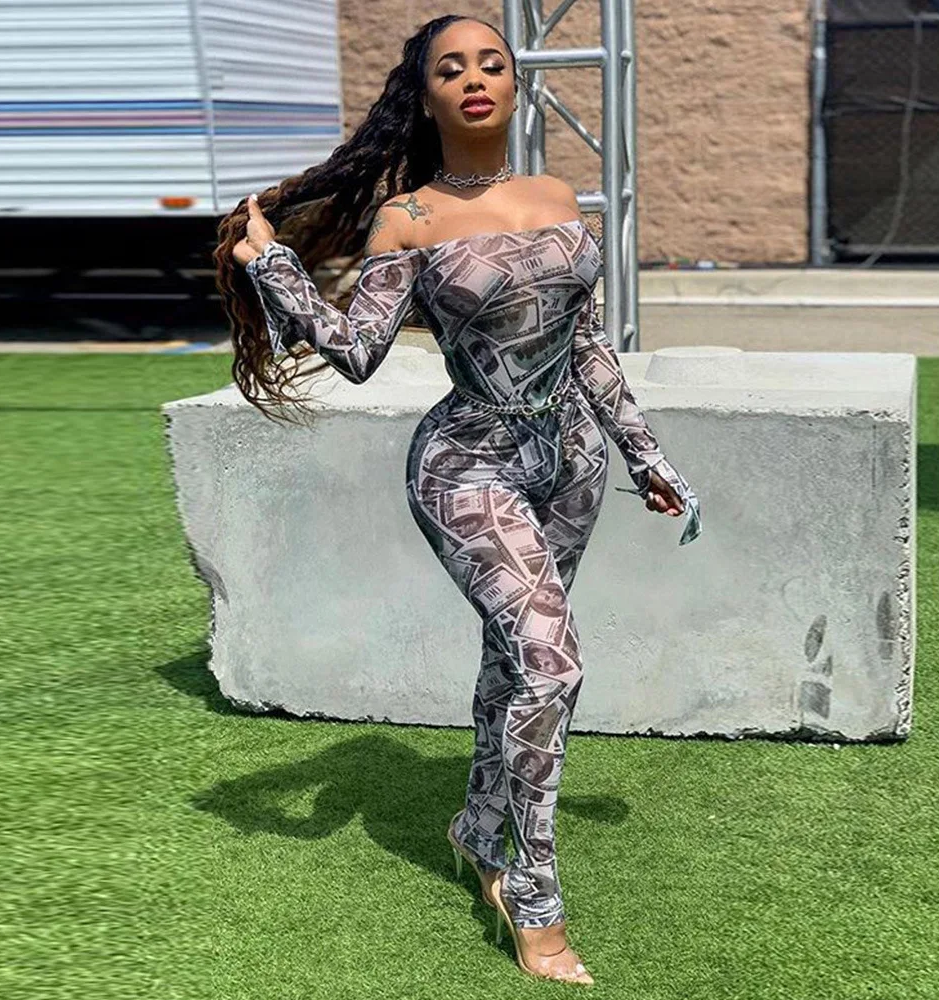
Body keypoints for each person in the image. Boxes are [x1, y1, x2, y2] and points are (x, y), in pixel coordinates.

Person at [214, 13, 701, 986]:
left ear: (515, 84)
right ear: (426, 95)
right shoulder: (409, 219)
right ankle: (534, 897)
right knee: (552, 667)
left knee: (512, 663)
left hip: (570, 461)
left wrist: (645, 454)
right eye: (451, 68)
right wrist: (271, 264)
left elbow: (587, 344)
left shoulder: (556, 195)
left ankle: (478, 830)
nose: (475, 78)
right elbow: (357, 352)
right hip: (467, 466)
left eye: (491, 63)